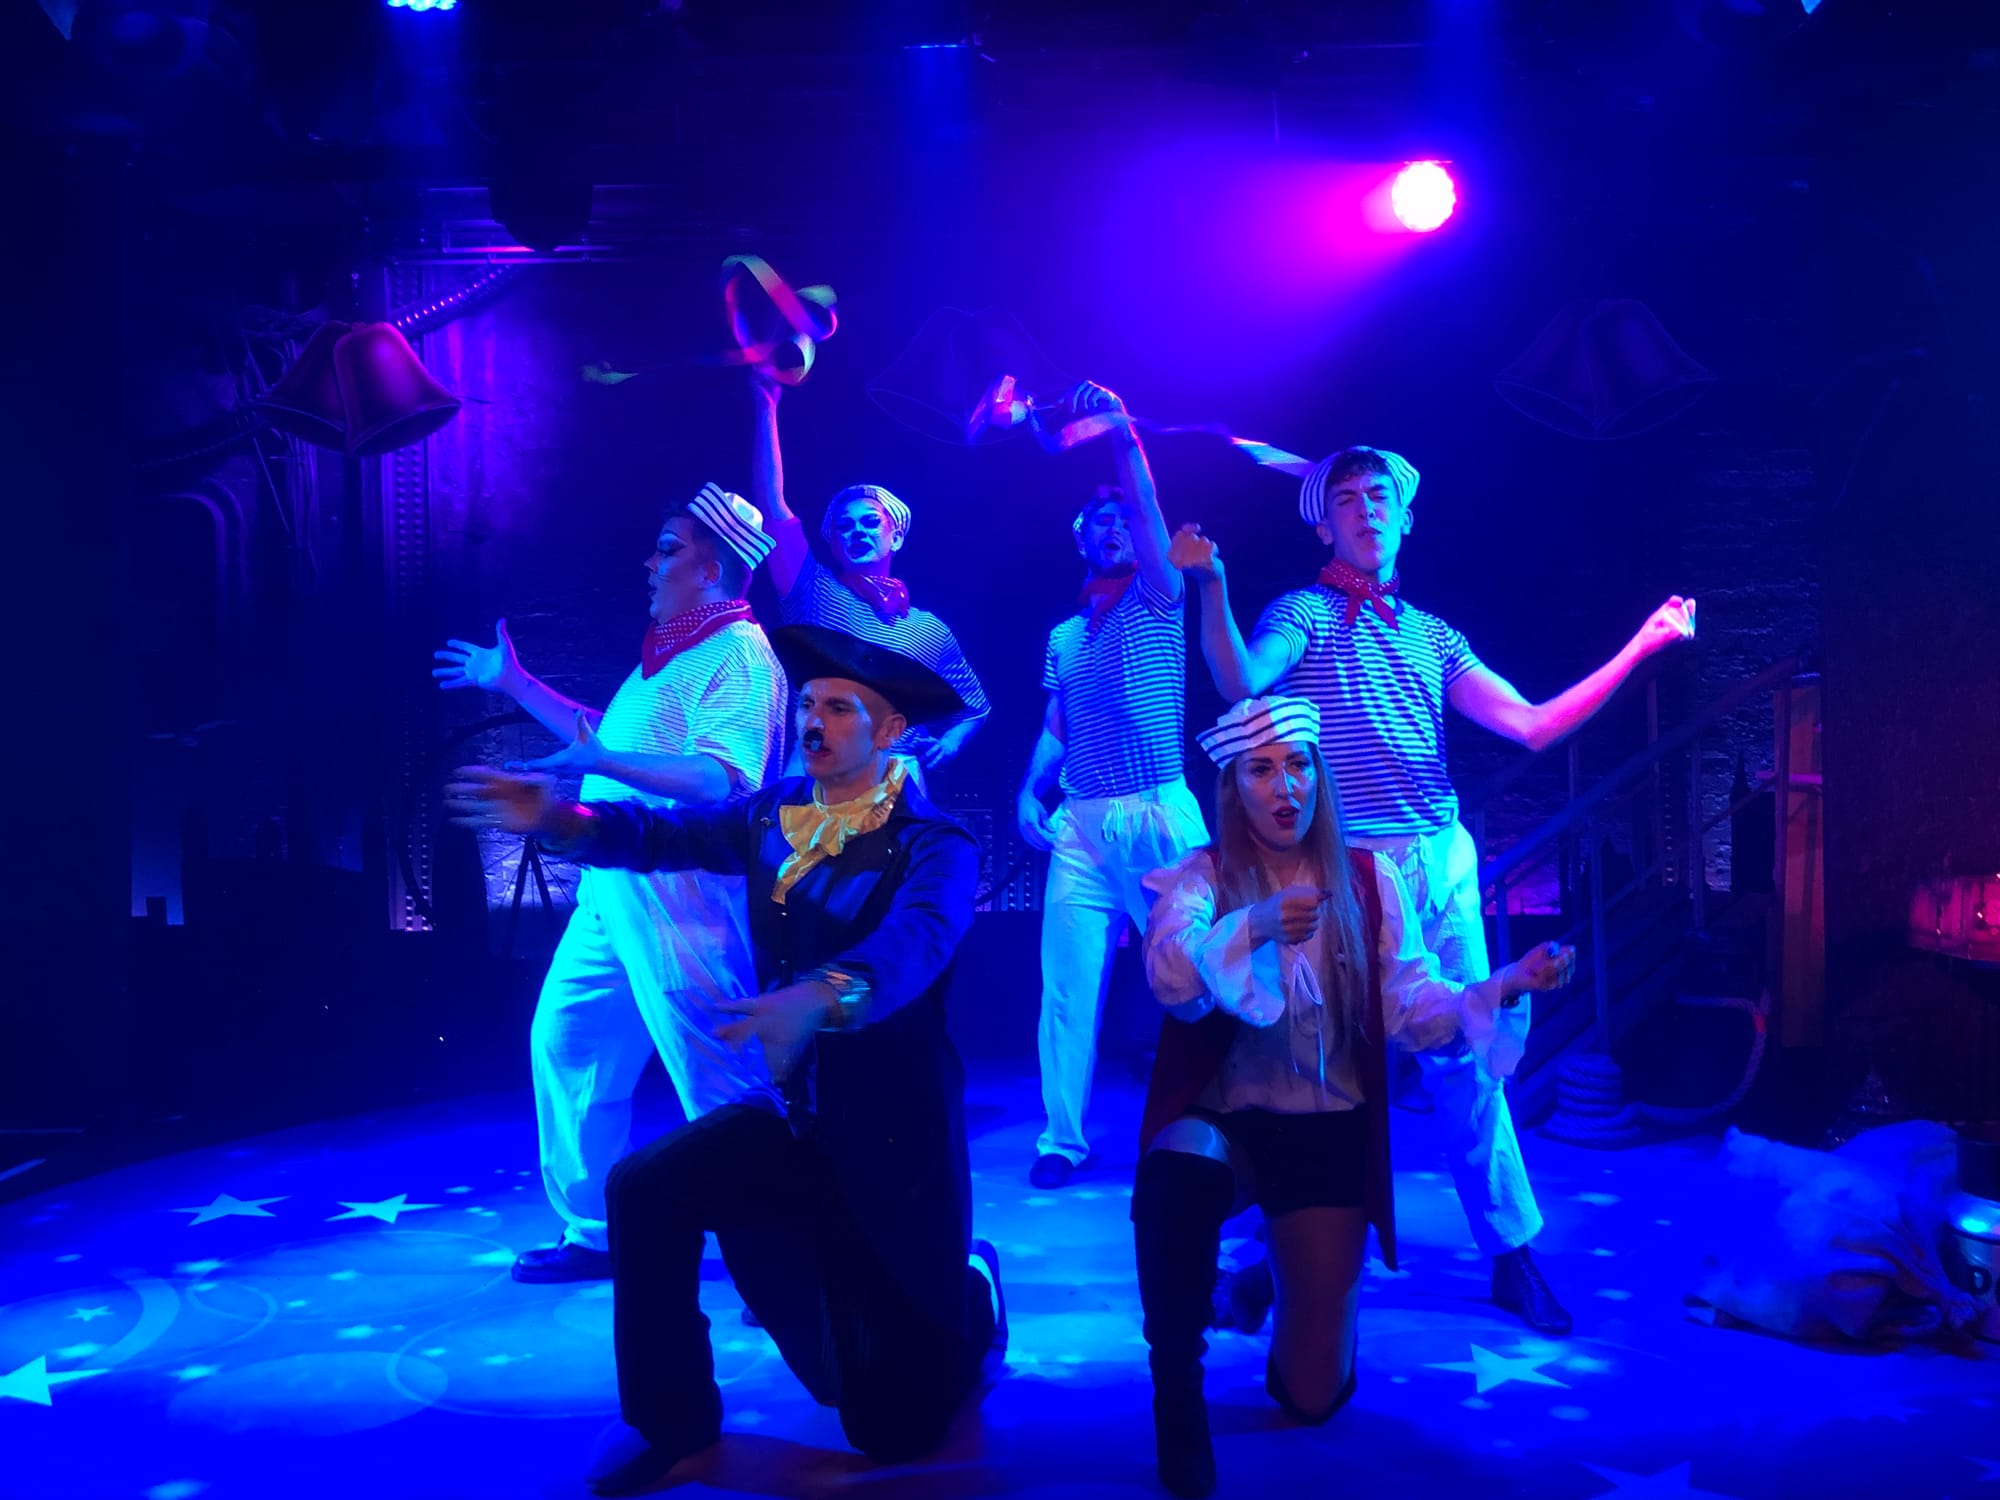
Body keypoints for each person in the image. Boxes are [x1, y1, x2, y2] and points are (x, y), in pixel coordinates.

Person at [444, 624, 1006, 1498]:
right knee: (646, 1187)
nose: (813, 723)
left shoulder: (935, 843)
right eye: (809, 705)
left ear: (890, 731)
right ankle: (669, 1424)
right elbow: (661, 836)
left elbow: (917, 943)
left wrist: (821, 995)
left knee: (891, 1429)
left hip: (893, 1139)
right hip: (793, 1116)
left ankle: (972, 1293)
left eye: (840, 709)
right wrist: (560, 818)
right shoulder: (772, 812)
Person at [1172, 446, 1694, 1335]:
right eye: (1346, 499)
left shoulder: (1433, 635)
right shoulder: (1302, 613)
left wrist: (1641, 645)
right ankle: (1273, 1255)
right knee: (1317, 1065)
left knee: (1468, 1045)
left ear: (1406, 516)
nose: (1366, 509)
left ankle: (1510, 1252)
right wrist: (1212, 584)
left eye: (1379, 495)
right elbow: (1239, 682)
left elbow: (1531, 725)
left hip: (1439, 860)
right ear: (1324, 526)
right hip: (1346, 869)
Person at [1135, 695, 1575, 1498]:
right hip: (1228, 1123)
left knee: (1313, 1396)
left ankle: (1281, 1291)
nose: (1285, 786)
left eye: (1298, 765)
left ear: (1320, 776)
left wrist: (1504, 983)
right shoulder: (1204, 877)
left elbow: (1413, 1009)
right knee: (1176, 1179)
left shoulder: (1369, 882)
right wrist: (1255, 925)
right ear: (1234, 787)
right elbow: (1170, 974)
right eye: (1261, 770)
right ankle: (1177, 1390)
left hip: (1327, 1129)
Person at [431, 483, 789, 1283]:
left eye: (668, 549)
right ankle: (597, 1233)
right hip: (615, 885)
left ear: (712, 568)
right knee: (571, 1038)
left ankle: (779, 1248)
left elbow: (719, 780)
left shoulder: (739, 653)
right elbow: (601, 738)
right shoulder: (671, 654)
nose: (650, 564)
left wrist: (604, 764)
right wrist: (514, 683)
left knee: (718, 1073)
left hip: (681, 891)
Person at [1017, 382, 1208, 1189]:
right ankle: (1062, 1140)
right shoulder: (1064, 634)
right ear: (1082, 540)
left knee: (1197, 975)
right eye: (1101, 522)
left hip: (1158, 811)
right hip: (1081, 821)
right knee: (1066, 985)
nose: (1116, 528)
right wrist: (1029, 789)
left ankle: (1225, 1122)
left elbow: (1148, 504)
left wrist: (1122, 432)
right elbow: (1057, 724)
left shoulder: (1160, 596)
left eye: (1124, 519)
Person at [748, 372, 989, 774]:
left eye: (870, 522)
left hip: (894, 773)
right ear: (833, 543)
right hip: (818, 767)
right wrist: (766, 407)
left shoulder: (930, 630)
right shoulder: (812, 591)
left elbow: (974, 708)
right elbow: (773, 505)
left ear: (896, 537)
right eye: (844, 526)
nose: (857, 531)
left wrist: (950, 743)